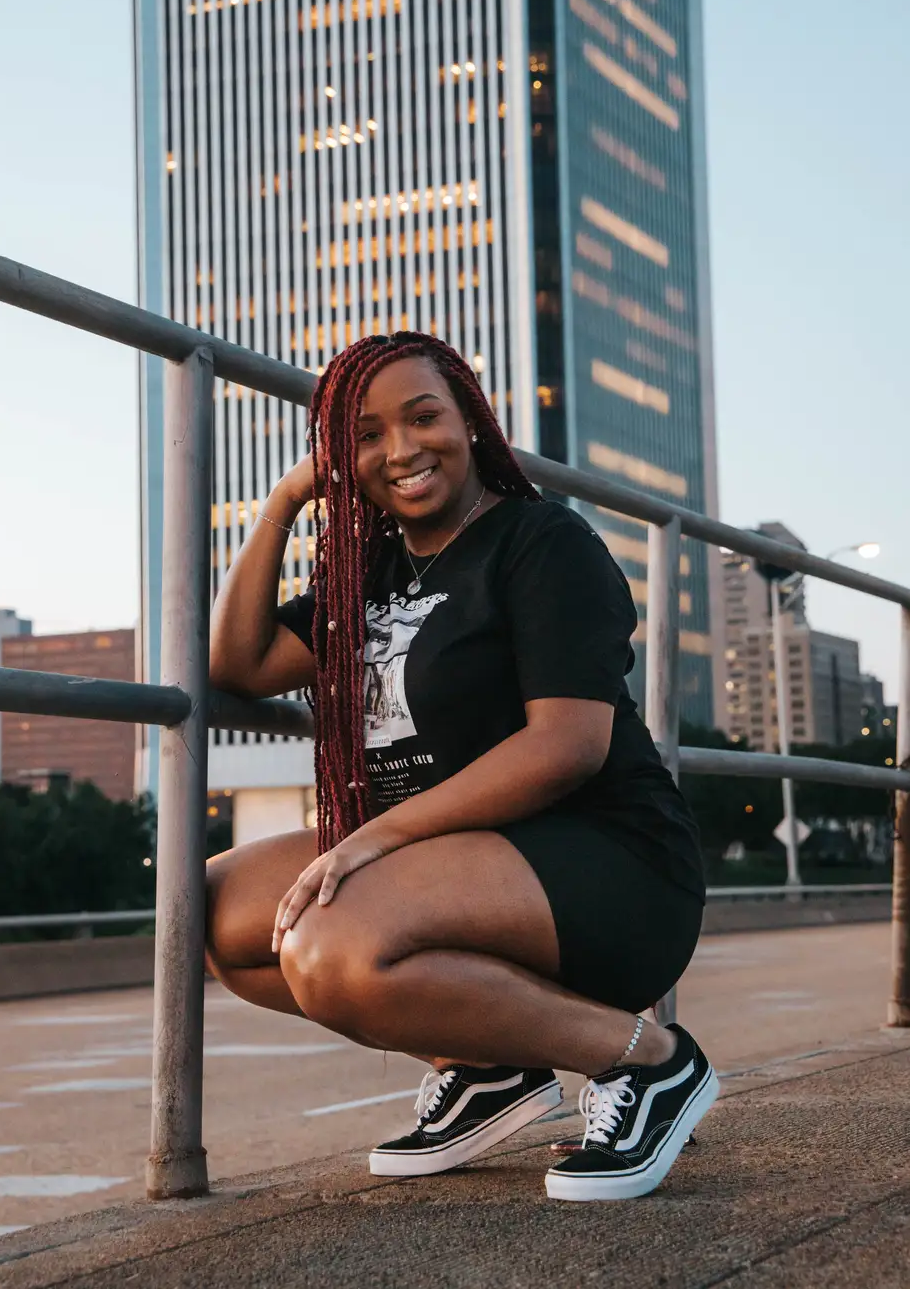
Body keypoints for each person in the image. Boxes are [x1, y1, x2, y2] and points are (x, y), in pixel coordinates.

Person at [206, 331, 718, 1202]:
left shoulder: (542, 542)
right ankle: (485, 1067)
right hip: (447, 864)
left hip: (604, 863)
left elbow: (568, 746)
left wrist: (370, 842)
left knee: (331, 950)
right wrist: (290, 500)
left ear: (471, 422)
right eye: (365, 434)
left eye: (423, 417)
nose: (402, 449)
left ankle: (650, 1062)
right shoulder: (364, 573)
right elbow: (241, 663)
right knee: (214, 913)